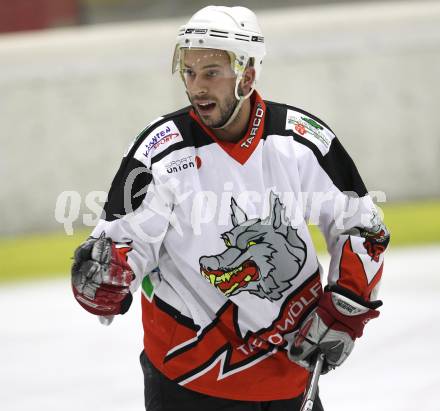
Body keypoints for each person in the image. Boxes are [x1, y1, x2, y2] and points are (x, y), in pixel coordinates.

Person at [71, 5, 390, 411]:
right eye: (189, 72)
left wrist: (346, 303)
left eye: (211, 73)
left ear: (248, 74)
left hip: (287, 371)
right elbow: (123, 244)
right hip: (187, 377)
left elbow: (362, 229)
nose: (197, 86)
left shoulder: (302, 142)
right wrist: (106, 277)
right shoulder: (160, 151)